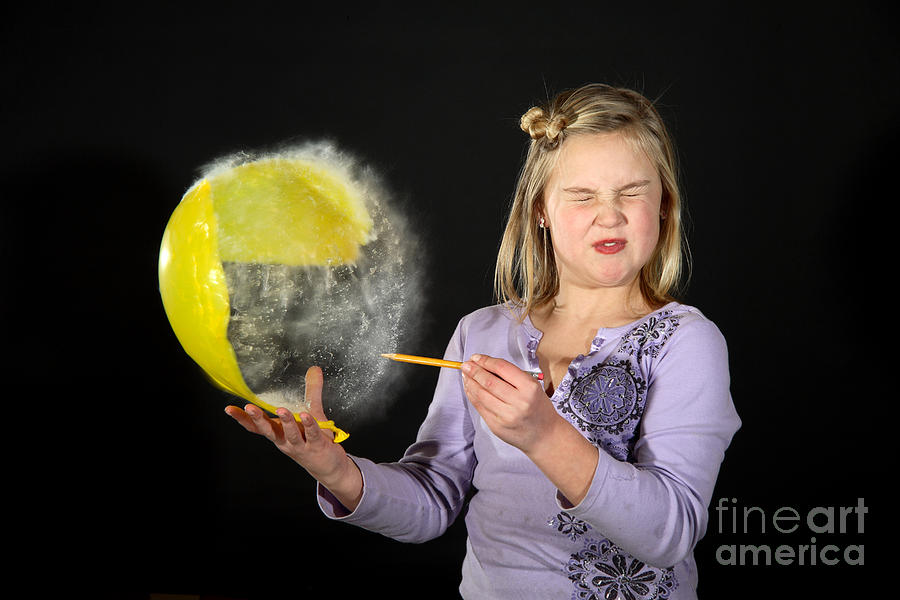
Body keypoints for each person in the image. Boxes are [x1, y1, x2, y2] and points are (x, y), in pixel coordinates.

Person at [225, 83, 741, 599]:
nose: (610, 215)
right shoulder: (482, 333)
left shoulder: (687, 342)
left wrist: (544, 434)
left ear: (664, 204)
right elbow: (431, 501)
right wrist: (336, 471)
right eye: (582, 196)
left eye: (632, 192)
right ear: (540, 209)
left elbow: (669, 533)